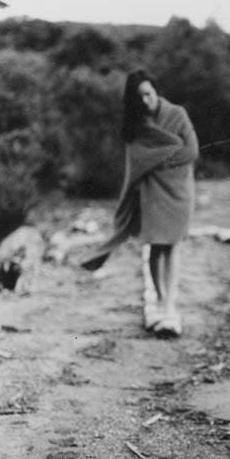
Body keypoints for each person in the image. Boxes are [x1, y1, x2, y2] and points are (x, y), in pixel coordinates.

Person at [82, 70, 199, 336]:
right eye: (140, 97)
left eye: (149, 93)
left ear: (156, 91)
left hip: (178, 192)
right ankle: (158, 301)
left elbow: (190, 151)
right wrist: (162, 157)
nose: (146, 101)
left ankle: (170, 306)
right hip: (152, 194)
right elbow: (137, 159)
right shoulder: (138, 124)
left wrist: (156, 162)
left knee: (172, 249)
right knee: (155, 249)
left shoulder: (177, 114)